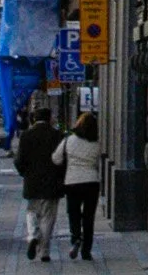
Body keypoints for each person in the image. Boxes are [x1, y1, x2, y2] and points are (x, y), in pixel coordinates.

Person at [14, 102, 65, 263]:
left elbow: (19, 160)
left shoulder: (26, 135)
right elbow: (63, 160)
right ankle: (44, 251)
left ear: (34, 119)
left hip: (32, 181)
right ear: (50, 119)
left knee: (31, 211)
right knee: (48, 217)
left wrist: (25, 173)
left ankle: (32, 235)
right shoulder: (58, 135)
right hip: (52, 182)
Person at [55, 109, 102, 258]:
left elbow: (56, 159)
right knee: (89, 217)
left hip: (73, 182)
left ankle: (76, 237)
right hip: (92, 182)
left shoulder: (69, 140)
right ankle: (86, 250)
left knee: (73, 212)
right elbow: (97, 162)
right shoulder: (96, 144)